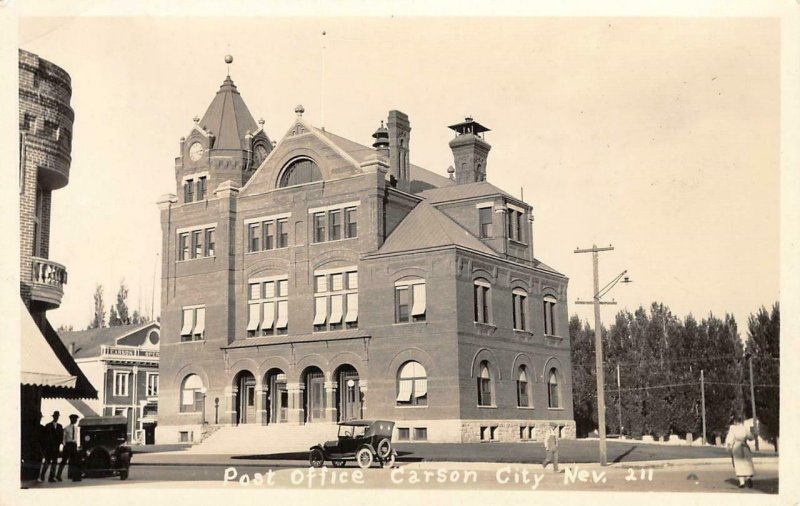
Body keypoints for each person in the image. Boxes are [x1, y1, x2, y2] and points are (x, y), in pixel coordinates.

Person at [725, 415, 755, 488]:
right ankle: (749, 478)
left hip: (737, 447)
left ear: (734, 421)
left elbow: (730, 438)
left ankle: (742, 482)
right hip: (745, 446)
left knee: (738, 464)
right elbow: (751, 437)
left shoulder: (732, 428)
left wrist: (729, 446)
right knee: (747, 463)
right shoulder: (744, 428)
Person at [39, 411, 63, 482]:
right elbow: (44, 437)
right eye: (55, 416)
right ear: (53, 417)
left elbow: (61, 436)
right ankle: (42, 476)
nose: (57, 417)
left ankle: (51, 477)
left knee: (54, 462)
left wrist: (60, 443)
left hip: (56, 447)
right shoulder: (48, 425)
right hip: (49, 447)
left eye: (57, 416)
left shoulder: (60, 426)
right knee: (47, 461)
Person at [57, 414, 80, 481]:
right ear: (71, 419)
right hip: (68, 445)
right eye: (74, 419)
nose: (75, 420)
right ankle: (58, 475)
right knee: (64, 461)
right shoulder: (66, 428)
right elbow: (63, 438)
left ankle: (74, 476)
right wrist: (65, 445)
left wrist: (77, 445)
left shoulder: (76, 428)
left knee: (74, 461)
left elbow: (76, 438)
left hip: (74, 445)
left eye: (76, 419)